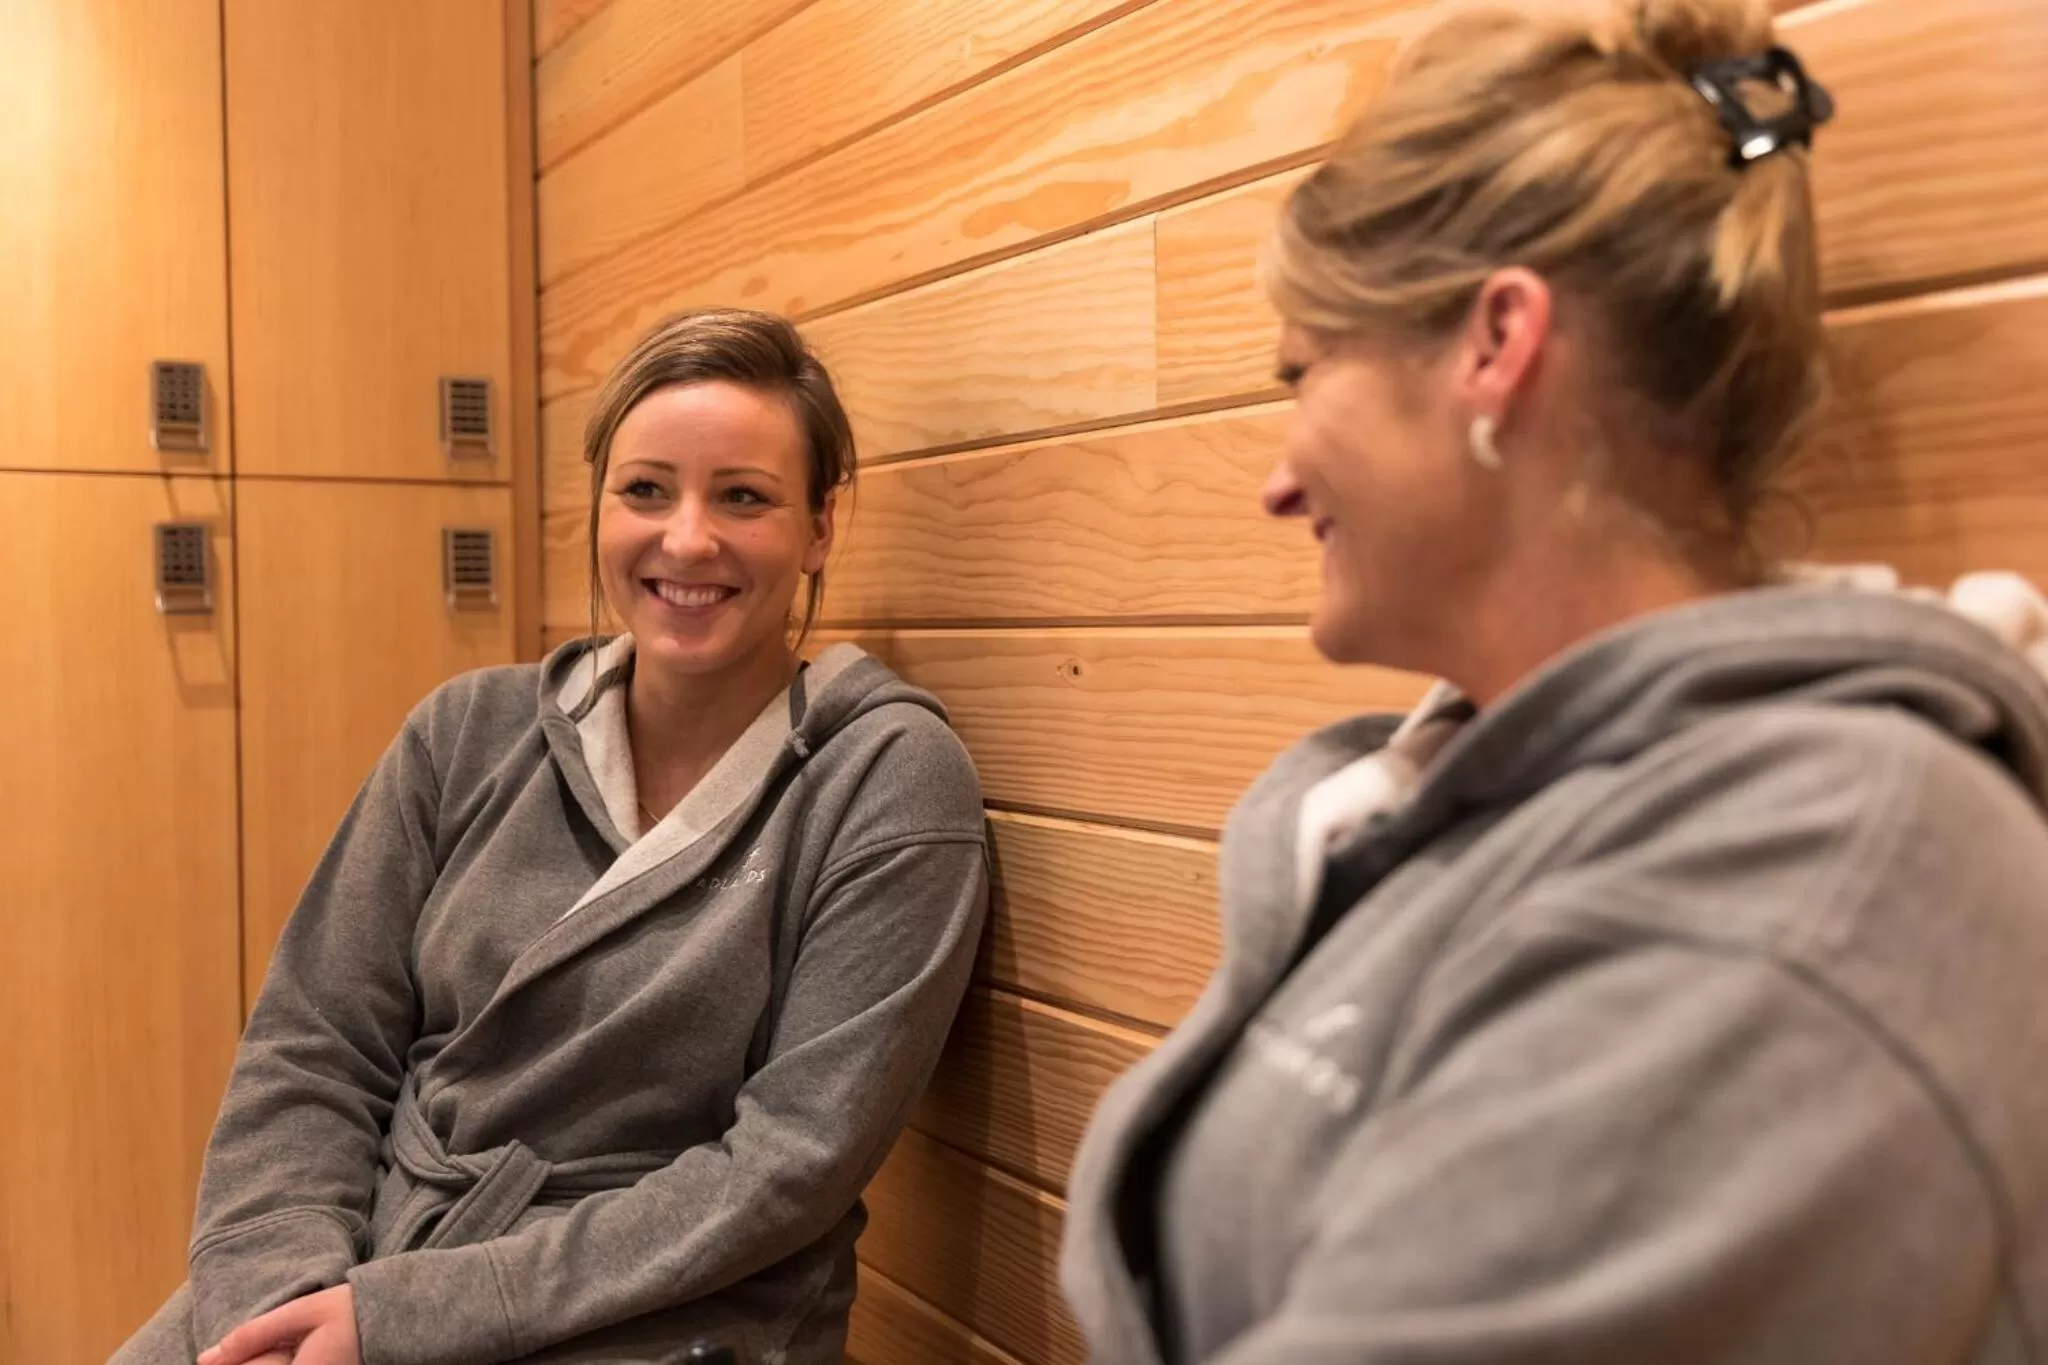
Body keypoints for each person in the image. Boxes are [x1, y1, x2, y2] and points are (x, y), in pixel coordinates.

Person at [1061, 1, 2048, 1360]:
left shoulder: (1811, 875)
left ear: (1494, 345)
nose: (1277, 478)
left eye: (1304, 372)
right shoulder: (1496, 795)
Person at [115, 309, 990, 1365]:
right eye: (646, 490)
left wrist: (404, 1321)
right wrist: (280, 1294)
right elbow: (314, 1044)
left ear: (817, 528)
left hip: (665, 1313)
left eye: (744, 498)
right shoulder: (465, 733)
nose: (686, 539)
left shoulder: (884, 782)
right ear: (599, 508)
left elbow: (788, 1164)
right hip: (366, 1264)